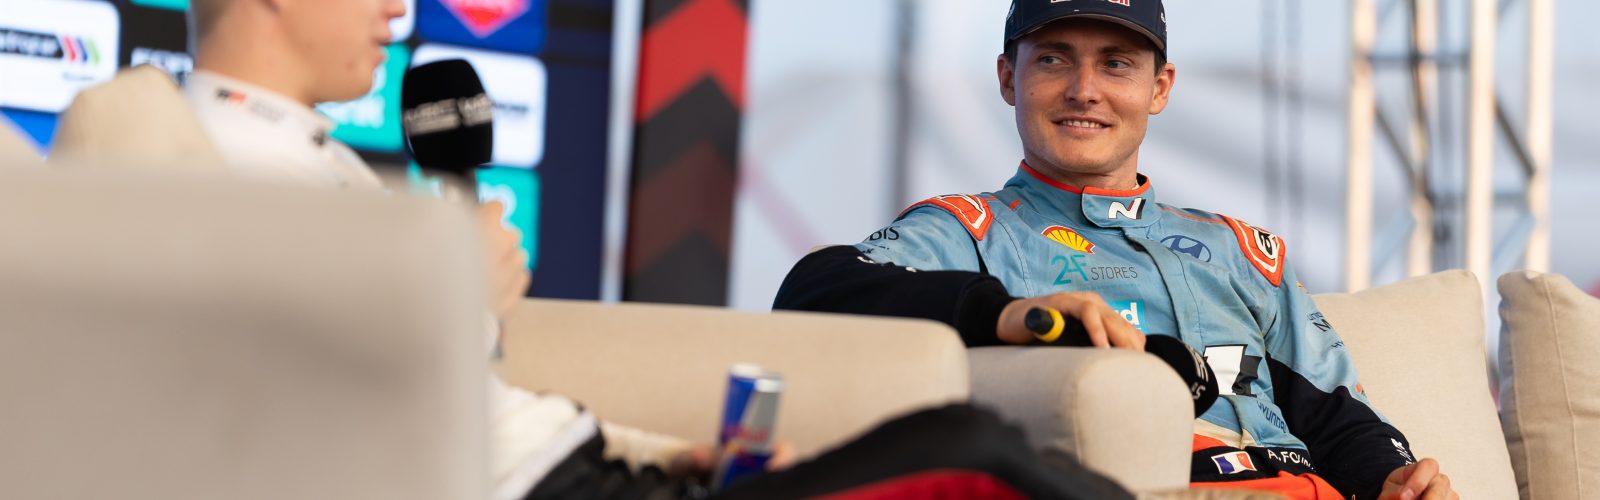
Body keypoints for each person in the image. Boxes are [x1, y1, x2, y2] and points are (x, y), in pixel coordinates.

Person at [176, 1, 1141, 498]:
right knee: (974, 451)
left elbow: (471, 401)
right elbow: (301, 408)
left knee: (973, 449)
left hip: (603, 472)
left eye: (1119, 65)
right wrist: (455, 299)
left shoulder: (306, 159)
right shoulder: (199, 160)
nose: (395, 11)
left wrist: (673, 453)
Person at [774, 1, 1457, 499]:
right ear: (1008, 78)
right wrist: (1007, 314)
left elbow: (1338, 416)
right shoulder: (969, 228)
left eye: (1116, 64)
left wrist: (1394, 479)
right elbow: (813, 289)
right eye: (1053, 59)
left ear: (1159, 88)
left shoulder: (1243, 249)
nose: (1084, 90)